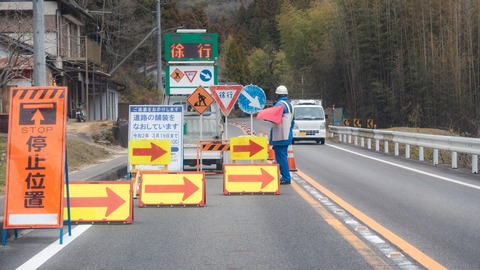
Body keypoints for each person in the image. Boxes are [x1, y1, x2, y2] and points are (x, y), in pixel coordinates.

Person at [269, 85, 294, 185]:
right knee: (282, 155)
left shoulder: (279, 104)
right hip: (287, 133)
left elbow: (275, 118)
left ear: (277, 95)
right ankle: (283, 176)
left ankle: (286, 177)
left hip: (280, 135)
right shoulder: (290, 104)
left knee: (281, 157)